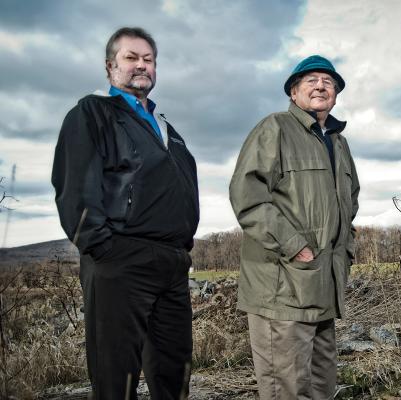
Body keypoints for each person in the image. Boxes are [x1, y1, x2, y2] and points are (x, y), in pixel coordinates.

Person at [52, 27, 199, 399]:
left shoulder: (168, 129)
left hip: (171, 263)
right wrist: (101, 247)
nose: (142, 66)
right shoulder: (94, 112)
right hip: (119, 259)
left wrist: (183, 245)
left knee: (175, 371)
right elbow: (74, 185)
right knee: (118, 376)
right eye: (131, 57)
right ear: (110, 66)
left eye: (148, 60)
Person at [229, 54, 359, 399]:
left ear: (336, 94)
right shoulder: (275, 128)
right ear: (293, 92)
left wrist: (345, 252)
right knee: (286, 390)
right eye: (311, 80)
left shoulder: (338, 143)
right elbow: (248, 196)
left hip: (324, 288)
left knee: (321, 388)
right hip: (283, 289)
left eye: (328, 82)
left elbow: (351, 204)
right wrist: (294, 246)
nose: (321, 86)